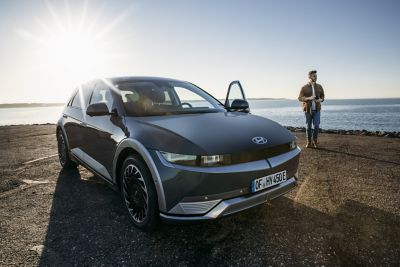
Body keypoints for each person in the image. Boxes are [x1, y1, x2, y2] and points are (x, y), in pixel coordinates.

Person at [298, 70, 325, 148]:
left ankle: (315, 141)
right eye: (314, 76)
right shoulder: (304, 87)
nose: (315, 77)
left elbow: (323, 96)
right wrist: (309, 98)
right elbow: (300, 98)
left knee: (316, 126)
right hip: (307, 110)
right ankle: (309, 142)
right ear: (309, 76)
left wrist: (320, 100)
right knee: (308, 127)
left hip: (317, 109)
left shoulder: (319, 86)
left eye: (316, 76)